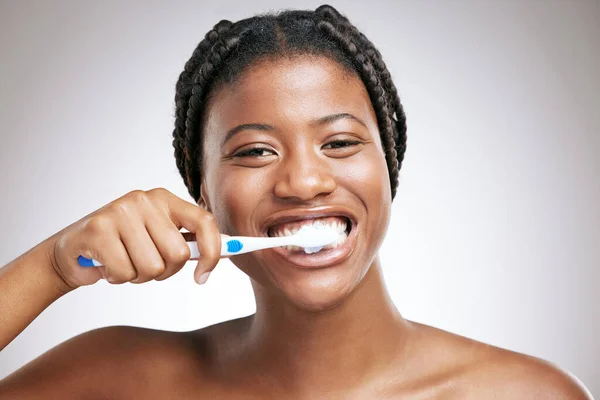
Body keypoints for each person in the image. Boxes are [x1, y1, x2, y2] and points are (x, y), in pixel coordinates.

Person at [0, 5, 592, 399]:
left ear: (389, 168)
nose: (304, 182)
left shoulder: (524, 394)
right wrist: (53, 267)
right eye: (255, 152)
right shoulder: (116, 379)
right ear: (202, 194)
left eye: (339, 142)